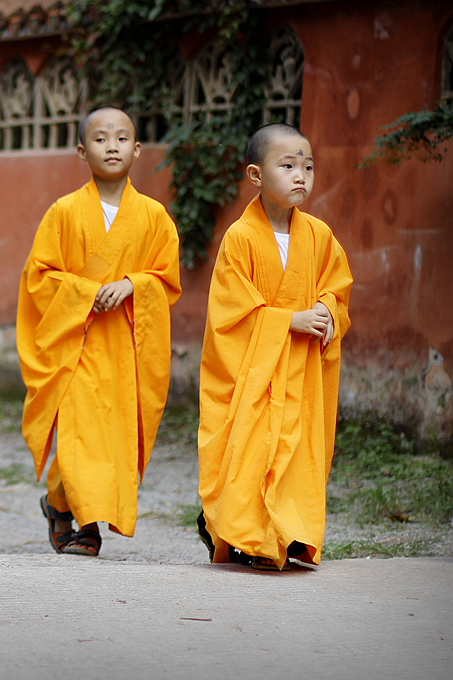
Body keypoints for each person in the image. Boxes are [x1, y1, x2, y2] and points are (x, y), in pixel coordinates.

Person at [17, 107, 181, 557]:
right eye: (101, 138)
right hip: (77, 344)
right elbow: (39, 277)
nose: (112, 146)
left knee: (109, 439)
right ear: (81, 151)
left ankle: (57, 503)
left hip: (126, 348)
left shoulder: (154, 217)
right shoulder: (64, 212)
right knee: (78, 434)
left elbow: (167, 280)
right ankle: (87, 526)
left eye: (122, 138)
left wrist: (134, 284)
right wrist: (85, 292)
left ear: (137, 149)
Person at [196, 123, 352, 572]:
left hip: (299, 372)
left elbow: (337, 286)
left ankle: (290, 533)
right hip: (254, 375)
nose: (300, 174)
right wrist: (289, 320)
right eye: (287, 166)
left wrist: (325, 309)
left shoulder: (320, 235)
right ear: (256, 175)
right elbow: (230, 313)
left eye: (308, 166)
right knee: (252, 449)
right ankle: (248, 536)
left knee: (295, 451)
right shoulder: (240, 238)